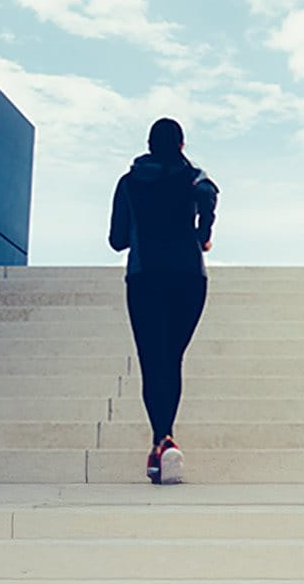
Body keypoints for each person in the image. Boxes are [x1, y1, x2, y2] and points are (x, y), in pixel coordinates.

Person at [108, 117, 218, 485]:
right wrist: (202, 234)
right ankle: (164, 444)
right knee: (171, 359)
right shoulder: (194, 178)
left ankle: (163, 440)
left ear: (149, 145)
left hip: (146, 276)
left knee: (153, 361)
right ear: (182, 145)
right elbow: (209, 196)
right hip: (189, 277)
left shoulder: (129, 182)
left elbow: (118, 240)